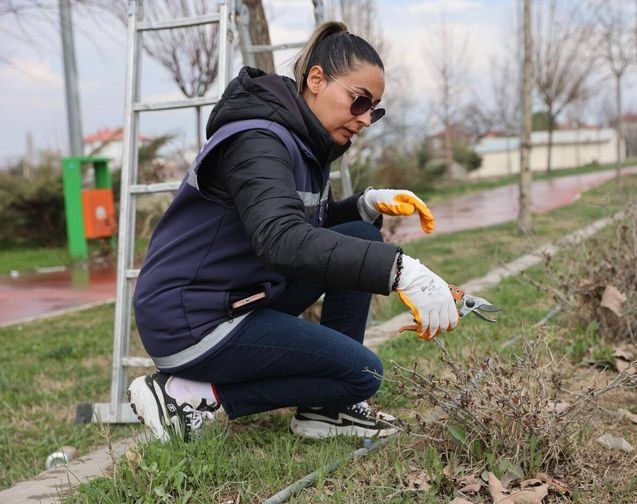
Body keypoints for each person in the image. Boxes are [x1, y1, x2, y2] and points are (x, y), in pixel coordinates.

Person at [127, 21, 459, 442]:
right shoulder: (258, 139)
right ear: (316, 79)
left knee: (360, 233)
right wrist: (399, 271)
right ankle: (193, 394)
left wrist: (363, 204)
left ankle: (325, 412)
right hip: (192, 319)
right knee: (363, 372)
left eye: (374, 109)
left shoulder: (304, 142)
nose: (365, 120)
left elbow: (307, 229)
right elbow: (281, 239)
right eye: (359, 101)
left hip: (235, 294)